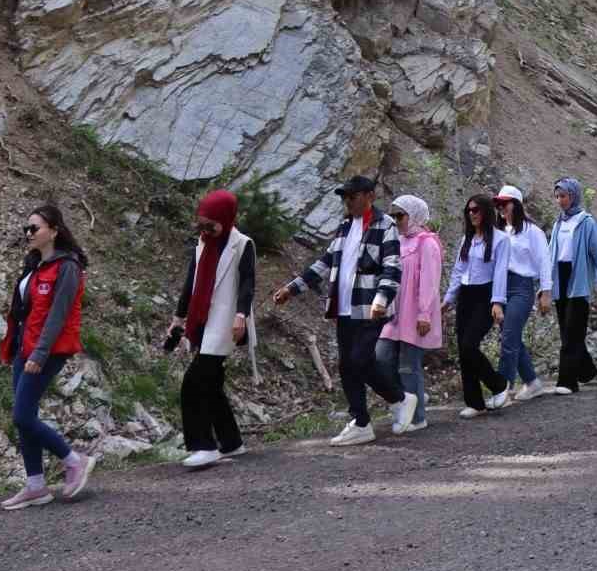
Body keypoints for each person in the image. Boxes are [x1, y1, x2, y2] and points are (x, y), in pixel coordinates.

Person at [272, 176, 415, 447]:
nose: (347, 202)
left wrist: (382, 298)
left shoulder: (385, 225)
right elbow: (325, 262)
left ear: (369, 196)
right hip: (344, 306)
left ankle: (397, 399)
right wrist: (293, 288)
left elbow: (392, 266)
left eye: (352, 196)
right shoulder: (344, 226)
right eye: (345, 197)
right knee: (347, 364)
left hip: (371, 307)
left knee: (358, 360)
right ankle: (363, 422)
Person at [0, 204, 94, 509]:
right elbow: (24, 311)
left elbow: (58, 316)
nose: (28, 233)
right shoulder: (34, 263)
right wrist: (14, 346)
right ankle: (36, 485)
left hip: (48, 350)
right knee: (26, 419)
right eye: (26, 228)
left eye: (34, 228)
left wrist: (39, 353)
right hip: (24, 348)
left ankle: (74, 460)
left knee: (22, 416)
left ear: (53, 230)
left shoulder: (68, 267)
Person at [170, 189, 256, 470]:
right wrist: (179, 317)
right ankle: (231, 442)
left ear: (226, 219)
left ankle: (204, 446)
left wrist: (241, 314)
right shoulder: (202, 243)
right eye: (202, 224)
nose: (206, 230)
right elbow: (190, 281)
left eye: (211, 224)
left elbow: (247, 284)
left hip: (226, 322)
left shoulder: (243, 244)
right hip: (202, 320)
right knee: (212, 385)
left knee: (193, 384)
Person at [442, 193, 513, 417]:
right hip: (466, 295)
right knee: (463, 349)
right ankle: (474, 402)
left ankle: (499, 384)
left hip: (486, 296)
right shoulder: (467, 239)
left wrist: (498, 302)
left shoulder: (501, 240)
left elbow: (501, 273)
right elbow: (458, 271)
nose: (472, 214)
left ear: (486, 212)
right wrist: (448, 299)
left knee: (470, 345)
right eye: (469, 211)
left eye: (476, 210)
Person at [379, 194, 442, 434]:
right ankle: (405, 401)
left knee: (408, 365)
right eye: (393, 216)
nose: (396, 221)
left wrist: (424, 313)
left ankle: (417, 417)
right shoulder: (397, 240)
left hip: (414, 313)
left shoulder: (427, 243)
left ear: (414, 215)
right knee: (380, 360)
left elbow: (429, 281)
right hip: (393, 312)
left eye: (400, 215)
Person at [549, 178, 597, 394]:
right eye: (558, 196)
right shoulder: (558, 223)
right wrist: (543, 283)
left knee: (572, 330)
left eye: (564, 196)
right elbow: (550, 253)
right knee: (567, 331)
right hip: (559, 279)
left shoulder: (586, 222)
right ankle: (587, 370)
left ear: (574, 196)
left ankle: (567, 382)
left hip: (577, 279)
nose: (560, 201)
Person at [493, 185, 551, 401]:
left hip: (521, 287)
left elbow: (544, 262)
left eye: (504, 203)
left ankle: (502, 390)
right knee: (511, 336)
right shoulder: (497, 232)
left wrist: (546, 292)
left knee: (508, 336)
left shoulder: (532, 231)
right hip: (500, 287)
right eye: (497, 203)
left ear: (515, 205)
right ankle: (532, 382)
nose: (500, 207)